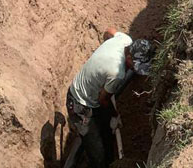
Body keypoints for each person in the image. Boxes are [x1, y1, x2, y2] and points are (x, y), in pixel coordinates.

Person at [66, 28, 154, 168]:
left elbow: (108, 31)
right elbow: (103, 100)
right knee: (98, 156)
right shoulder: (116, 72)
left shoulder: (125, 40)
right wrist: (115, 116)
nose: (135, 69)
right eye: (136, 66)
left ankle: (108, 154)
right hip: (80, 105)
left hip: (91, 94)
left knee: (106, 134)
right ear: (130, 57)